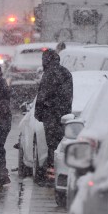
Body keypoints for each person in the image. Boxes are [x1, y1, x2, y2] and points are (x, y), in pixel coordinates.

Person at [34, 49, 73, 186]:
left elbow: (42, 95)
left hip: (51, 114)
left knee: (52, 146)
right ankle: (60, 174)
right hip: (63, 115)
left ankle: (51, 177)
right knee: (60, 145)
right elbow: (68, 96)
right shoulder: (66, 72)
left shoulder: (49, 74)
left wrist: (39, 113)